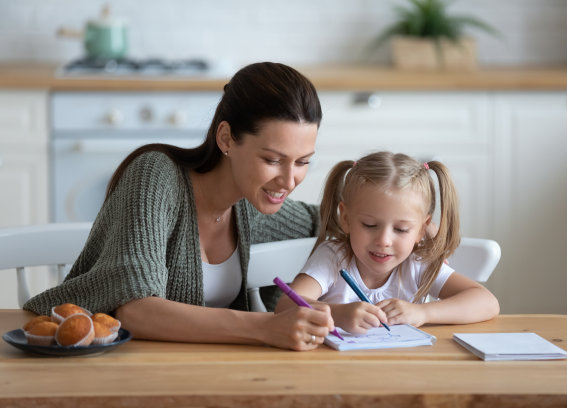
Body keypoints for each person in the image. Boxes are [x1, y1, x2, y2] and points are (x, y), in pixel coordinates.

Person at [23, 62, 335, 351]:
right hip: (125, 373)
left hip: (207, 373)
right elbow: (136, 310)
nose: (289, 180)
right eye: (272, 160)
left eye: (303, 162)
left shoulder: (251, 207)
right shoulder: (154, 177)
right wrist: (266, 327)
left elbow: (334, 221)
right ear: (226, 139)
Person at [275, 151, 499, 334]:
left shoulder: (418, 263)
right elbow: (285, 306)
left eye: (401, 229)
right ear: (346, 218)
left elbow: (487, 302)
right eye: (370, 225)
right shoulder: (334, 257)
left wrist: (423, 313)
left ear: (422, 229)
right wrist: (337, 314)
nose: (383, 241)